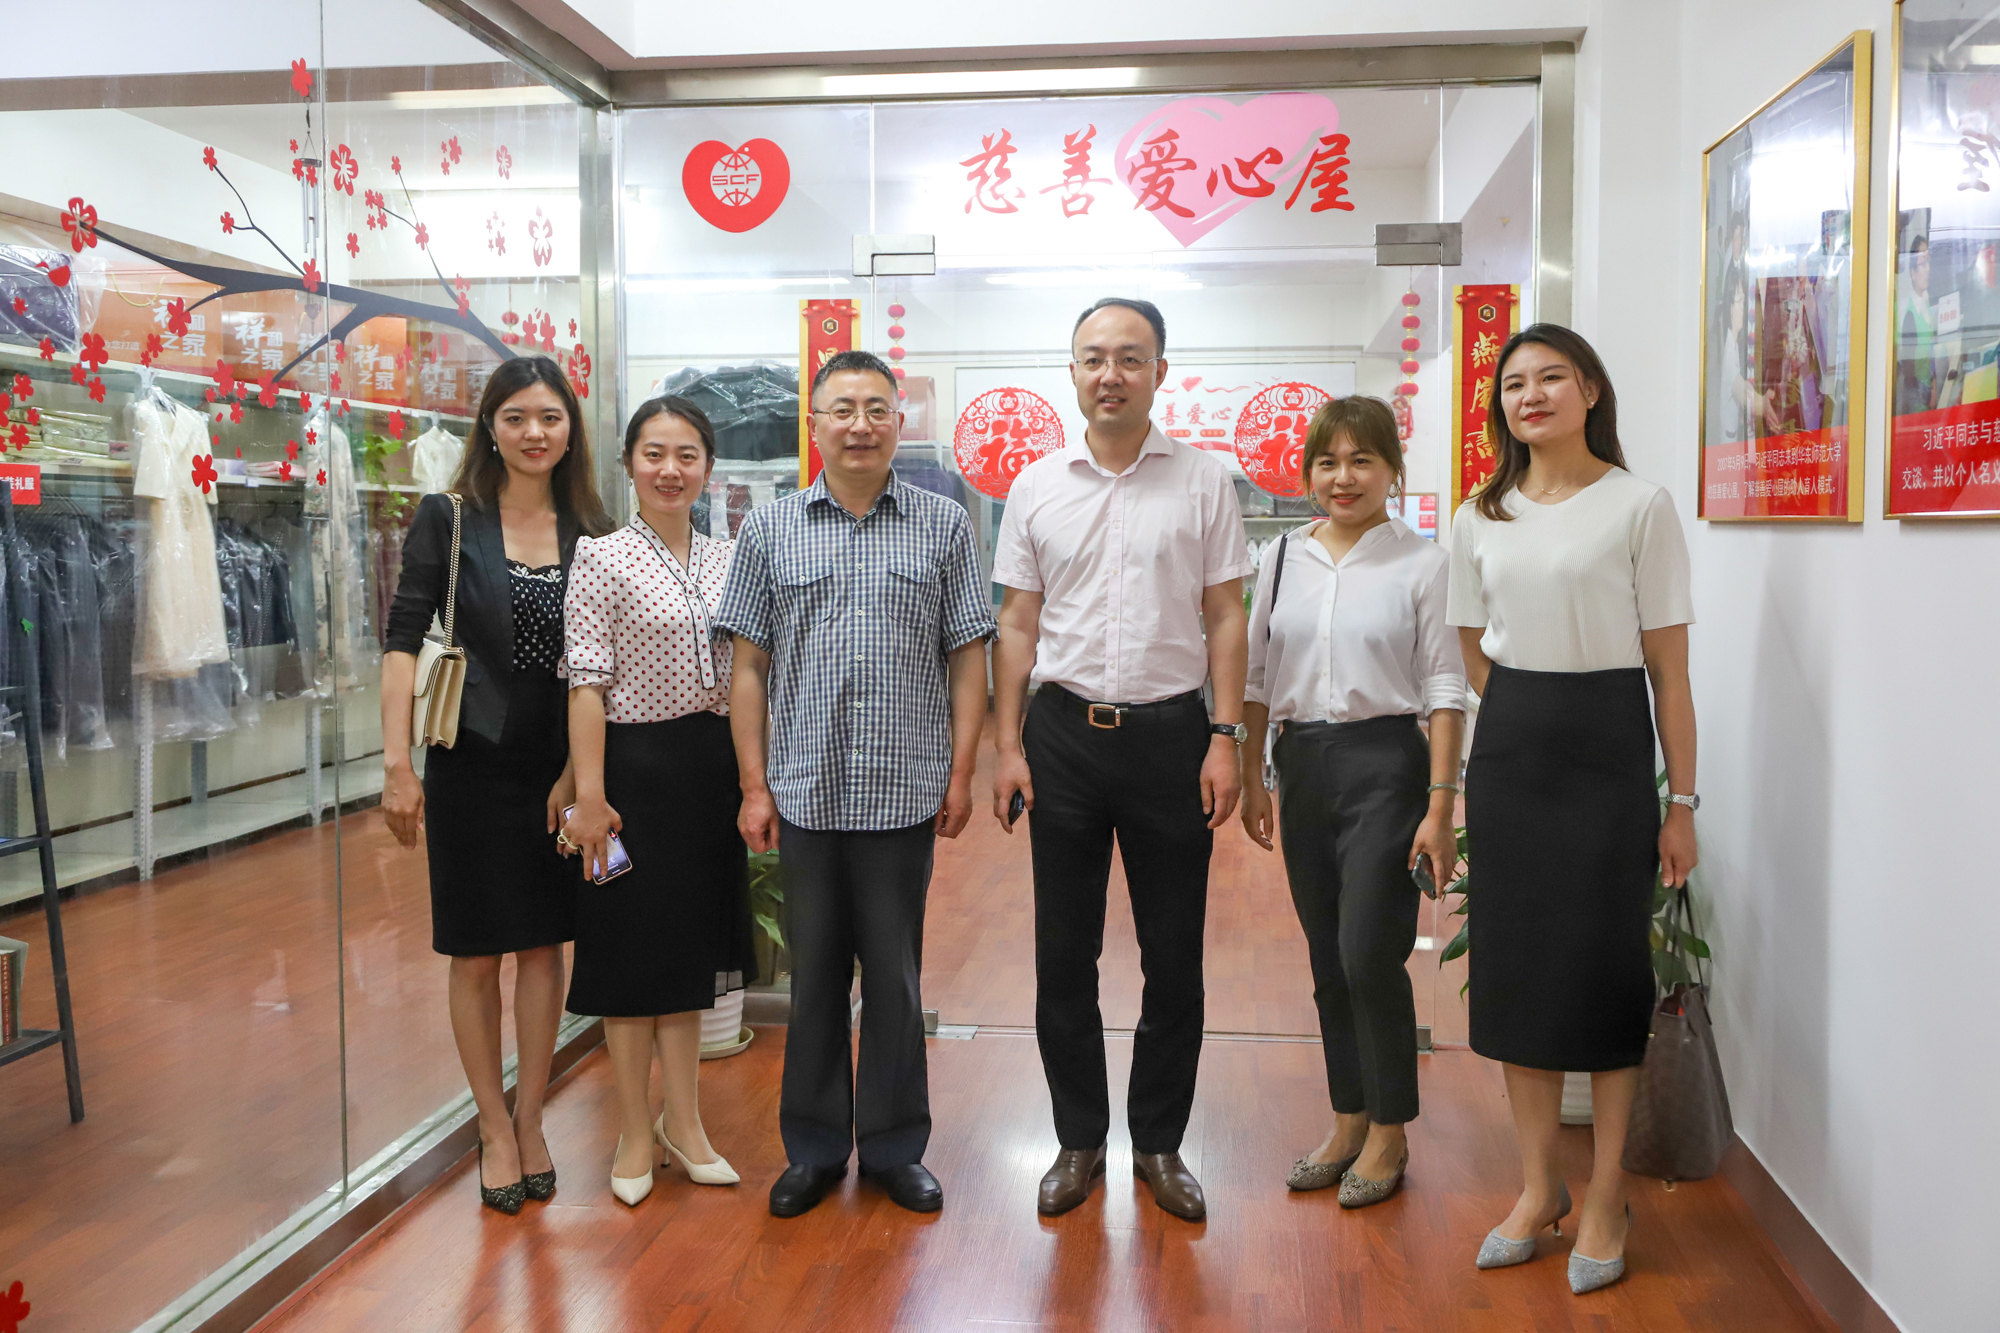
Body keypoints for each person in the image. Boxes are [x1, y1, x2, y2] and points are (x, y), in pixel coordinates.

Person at [714, 349, 994, 1219]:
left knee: (896, 979)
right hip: (805, 790)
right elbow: (748, 666)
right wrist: (754, 785)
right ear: (816, 424)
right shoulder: (770, 529)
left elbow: (968, 654)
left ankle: (895, 1147)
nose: (860, 424)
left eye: (877, 408)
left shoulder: (944, 525)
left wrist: (962, 770)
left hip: (903, 791)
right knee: (816, 980)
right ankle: (814, 1147)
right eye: (843, 408)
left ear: (898, 422)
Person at [1447, 324, 1697, 1295]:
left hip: (1607, 754)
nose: (1531, 394)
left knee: (1602, 972)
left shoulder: (1638, 505)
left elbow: (1669, 674)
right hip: (1512, 758)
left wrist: (1680, 802)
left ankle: (1605, 1196)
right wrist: (1526, 710)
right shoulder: (1480, 514)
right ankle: (1536, 1186)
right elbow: (1474, 649)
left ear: (1590, 389)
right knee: (1517, 974)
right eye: (1513, 383)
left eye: (1551, 376)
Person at [990, 297, 1252, 1222]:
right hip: (1062, 737)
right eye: (1094, 357)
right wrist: (1007, 744)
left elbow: (1226, 614)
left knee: (1173, 956)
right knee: (1064, 954)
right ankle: (1077, 1139)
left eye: (1131, 358)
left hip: (1173, 739)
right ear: (1073, 371)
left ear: (1159, 372)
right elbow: (1016, 623)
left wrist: (1226, 736)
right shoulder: (1036, 486)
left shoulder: (1204, 481)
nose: (1112, 374)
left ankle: (1160, 1143)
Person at [380, 355, 614, 1214]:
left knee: (545, 945)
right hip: (471, 761)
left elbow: (601, 665)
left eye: (549, 416)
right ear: (490, 426)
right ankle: (491, 1123)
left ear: (570, 429)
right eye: (515, 417)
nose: (533, 432)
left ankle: (531, 1114)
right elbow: (402, 639)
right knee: (476, 950)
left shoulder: (593, 528)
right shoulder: (448, 518)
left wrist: (578, 775)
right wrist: (396, 764)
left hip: (558, 766)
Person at [1238, 395, 1465, 1207]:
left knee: (1370, 949)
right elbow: (1256, 676)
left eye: (1362, 460)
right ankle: (1348, 1119)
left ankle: (1391, 1130)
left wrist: (1441, 804)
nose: (1344, 476)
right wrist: (1253, 773)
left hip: (1388, 765)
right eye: (1327, 461)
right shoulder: (1280, 559)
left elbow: (1446, 687)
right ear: (1306, 473)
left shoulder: (1423, 563)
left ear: (1392, 471)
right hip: (1302, 763)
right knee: (1328, 958)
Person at [558, 395, 757, 1206]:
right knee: (627, 954)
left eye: (686, 455)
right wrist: (591, 795)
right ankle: (634, 1129)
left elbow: (748, 675)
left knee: (688, 954)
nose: (670, 470)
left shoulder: (730, 557)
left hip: (709, 770)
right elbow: (585, 682)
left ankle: (687, 1123)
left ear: (707, 466)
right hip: (629, 772)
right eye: (654, 453)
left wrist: (753, 779)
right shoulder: (600, 556)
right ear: (629, 463)